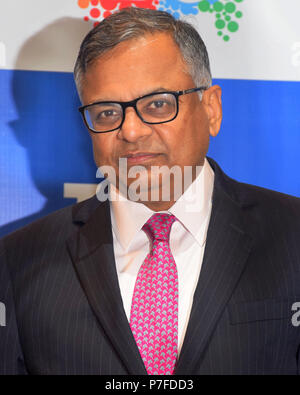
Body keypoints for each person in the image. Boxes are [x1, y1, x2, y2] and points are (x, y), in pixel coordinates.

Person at [1, 7, 300, 375]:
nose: (131, 132)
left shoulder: (292, 235)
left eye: (157, 104)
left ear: (211, 110)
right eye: (107, 112)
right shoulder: (17, 262)